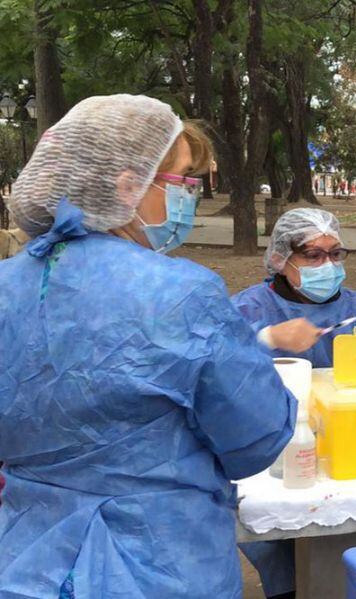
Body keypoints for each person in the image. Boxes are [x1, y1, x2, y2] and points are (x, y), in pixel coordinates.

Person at [0, 95, 296, 597]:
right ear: (128, 185)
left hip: (26, 562)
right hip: (158, 564)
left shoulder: (7, 286)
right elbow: (257, 439)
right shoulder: (182, 293)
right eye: (182, 179)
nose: (190, 196)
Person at [232, 207, 356, 599]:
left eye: (335, 253)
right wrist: (268, 338)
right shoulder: (245, 312)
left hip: (353, 448)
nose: (328, 264)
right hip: (268, 454)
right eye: (313, 255)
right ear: (280, 258)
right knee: (278, 543)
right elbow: (217, 368)